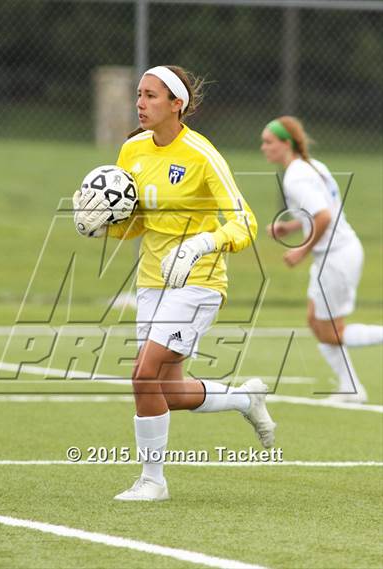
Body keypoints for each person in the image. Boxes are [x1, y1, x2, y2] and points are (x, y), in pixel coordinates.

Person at [73, 65, 276, 501]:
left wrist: (202, 243)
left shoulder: (202, 155)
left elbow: (245, 224)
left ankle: (153, 481)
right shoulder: (132, 150)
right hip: (152, 281)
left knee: (143, 374)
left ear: (176, 104)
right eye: (139, 95)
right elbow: (135, 224)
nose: (140, 104)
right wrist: (101, 224)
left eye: (150, 96)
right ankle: (246, 400)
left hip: (199, 282)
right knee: (169, 390)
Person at [261, 116, 383, 404]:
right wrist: (290, 227)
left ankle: (351, 387)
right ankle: (350, 387)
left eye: (268, 142)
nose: (263, 148)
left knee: (330, 332)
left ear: (286, 144)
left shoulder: (295, 176)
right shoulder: (312, 166)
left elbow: (325, 217)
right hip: (336, 254)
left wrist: (300, 250)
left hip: (336, 257)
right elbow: (321, 211)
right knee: (315, 323)